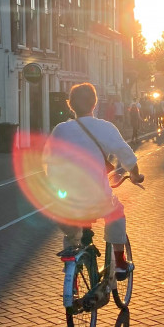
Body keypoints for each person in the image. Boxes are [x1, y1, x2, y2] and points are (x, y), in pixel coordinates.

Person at [43, 83, 143, 281]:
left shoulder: (60, 129)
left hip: (66, 202)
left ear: (71, 105)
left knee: (71, 232)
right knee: (116, 212)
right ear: (95, 103)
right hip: (97, 199)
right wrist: (135, 175)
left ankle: (73, 277)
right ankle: (120, 263)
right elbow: (127, 155)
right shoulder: (105, 127)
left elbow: (48, 160)